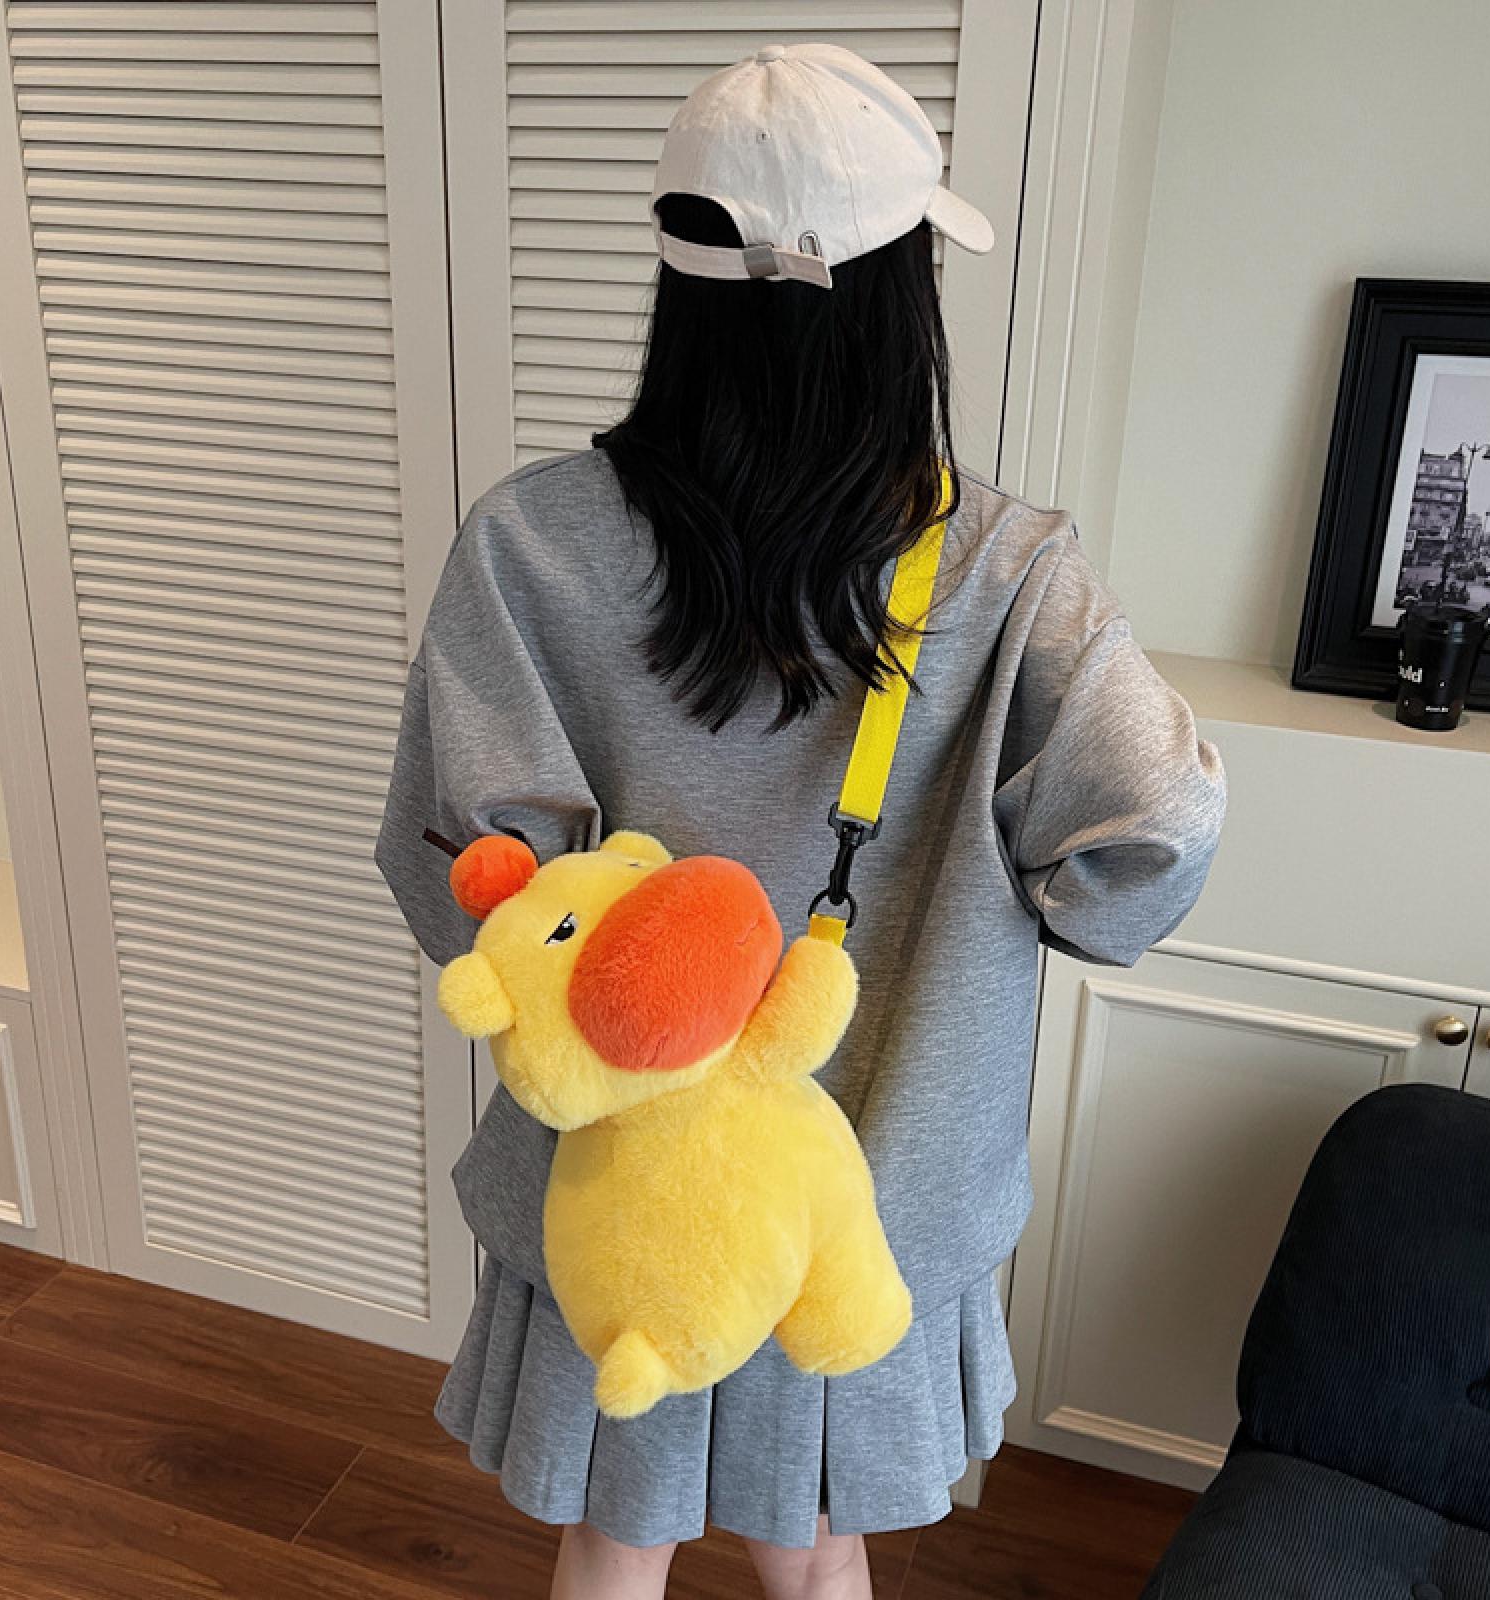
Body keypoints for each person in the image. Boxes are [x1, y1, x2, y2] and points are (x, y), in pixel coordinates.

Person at [376, 41, 1227, 1600]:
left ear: (679, 282)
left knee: (613, 1541)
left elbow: (462, 889)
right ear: (903, 301)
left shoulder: (530, 544)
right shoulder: (1008, 574)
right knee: (818, 1550)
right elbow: (1149, 844)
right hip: (871, 1199)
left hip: (620, 1189)